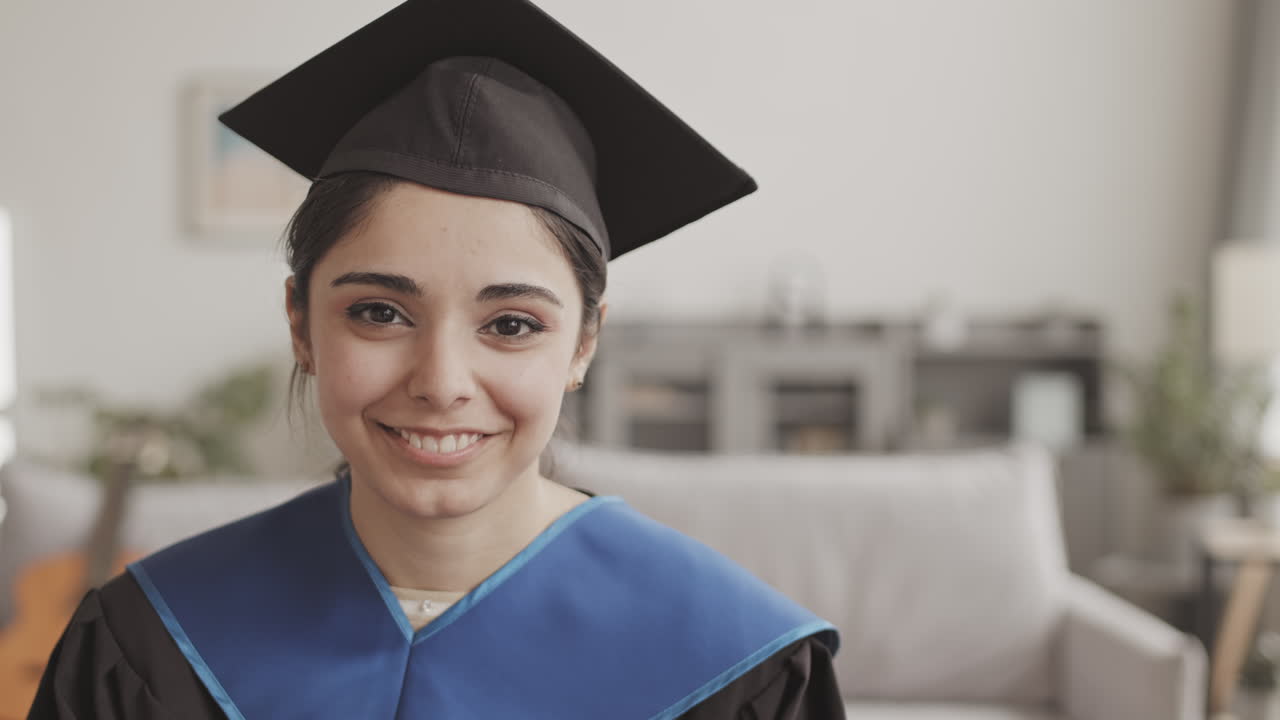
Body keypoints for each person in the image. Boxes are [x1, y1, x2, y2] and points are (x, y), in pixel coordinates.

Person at [28, 0, 844, 717]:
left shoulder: (739, 668)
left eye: (513, 324)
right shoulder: (149, 644)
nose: (442, 383)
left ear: (585, 343)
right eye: (379, 313)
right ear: (301, 326)